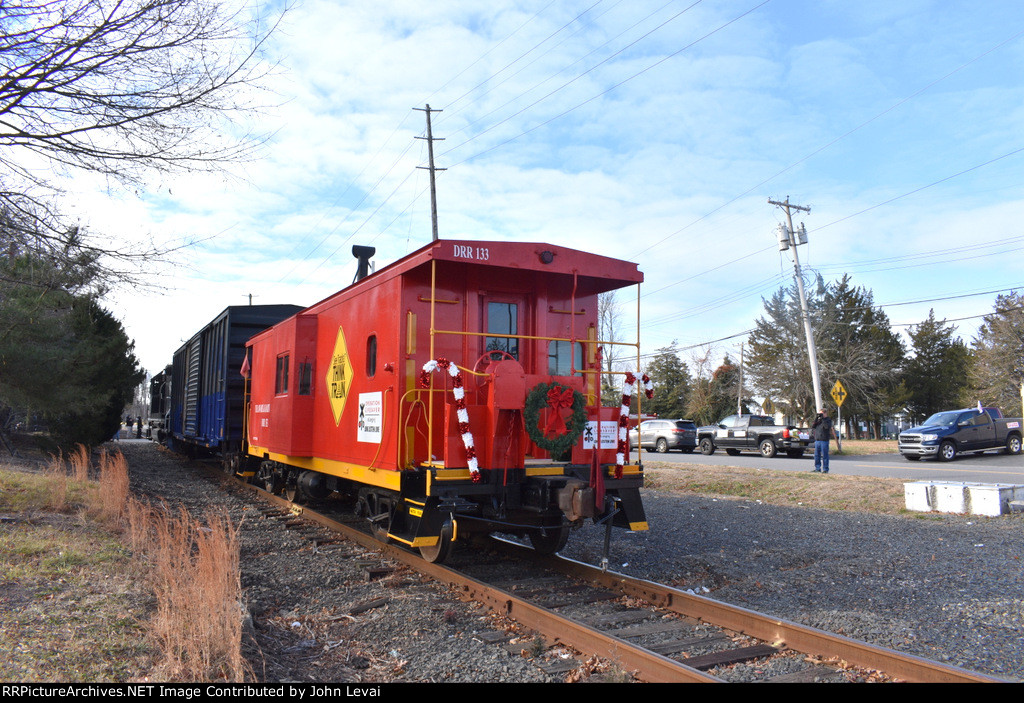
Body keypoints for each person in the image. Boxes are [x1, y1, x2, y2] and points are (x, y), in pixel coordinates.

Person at [812, 407, 834, 473]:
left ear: (825, 413)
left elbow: (827, 427)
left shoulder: (828, 420)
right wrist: (817, 418)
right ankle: (817, 468)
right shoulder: (818, 421)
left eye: (822, 413)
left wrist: (823, 419)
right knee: (816, 455)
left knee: (825, 455)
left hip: (824, 440)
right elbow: (813, 426)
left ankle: (825, 469)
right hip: (817, 440)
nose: (821, 415)